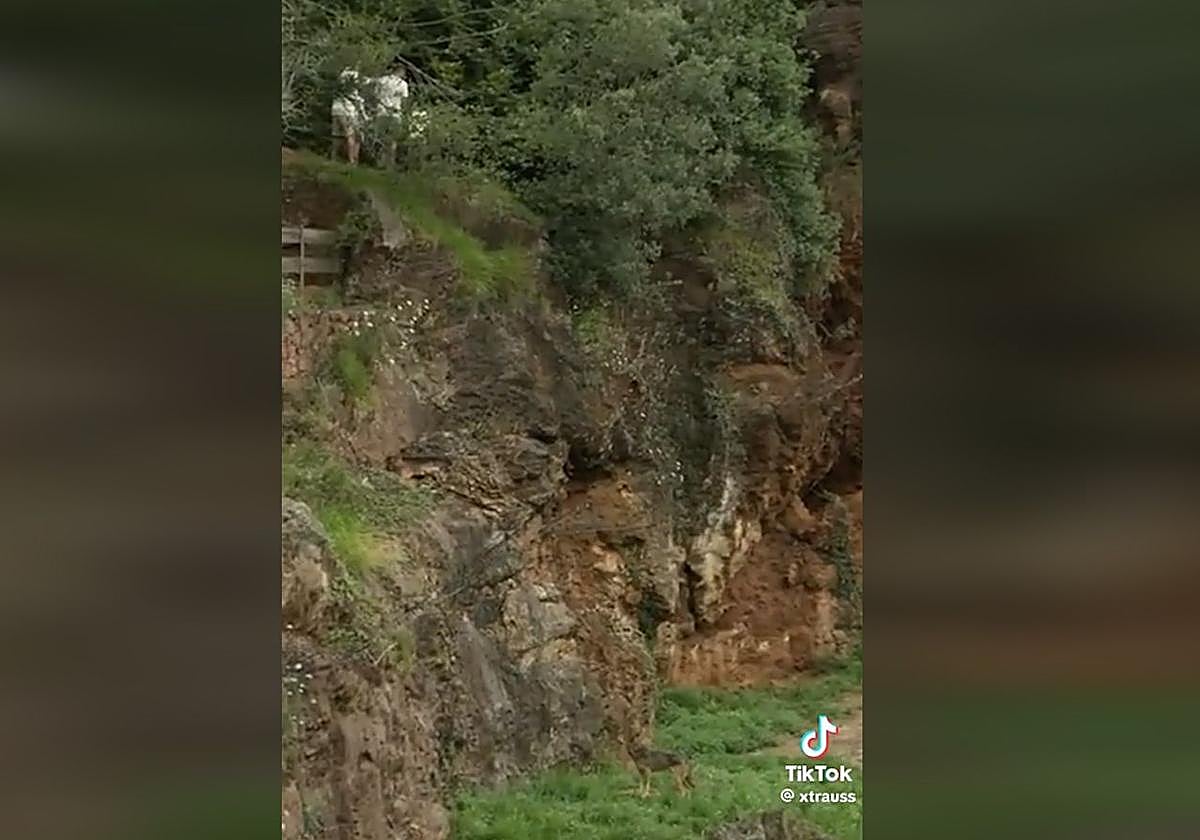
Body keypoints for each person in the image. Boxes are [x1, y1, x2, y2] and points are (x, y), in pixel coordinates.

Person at [330, 68, 365, 164]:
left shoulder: (342, 76)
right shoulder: (353, 78)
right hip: (348, 111)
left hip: (336, 109)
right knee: (352, 135)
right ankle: (352, 160)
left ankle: (333, 157)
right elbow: (356, 101)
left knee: (337, 135)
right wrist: (363, 115)